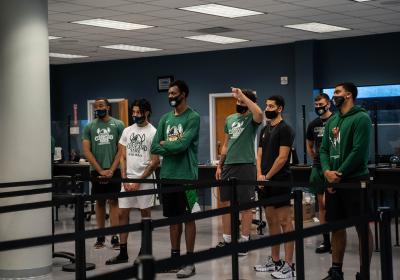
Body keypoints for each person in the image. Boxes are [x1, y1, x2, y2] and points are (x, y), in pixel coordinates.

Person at [320, 83, 373, 280]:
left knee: (362, 227)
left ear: (349, 95)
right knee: (336, 226)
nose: (334, 96)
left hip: (355, 180)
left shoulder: (362, 118)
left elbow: (359, 151)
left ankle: (364, 272)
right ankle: (336, 271)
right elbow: (324, 149)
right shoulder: (332, 120)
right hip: (334, 182)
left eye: (337, 92)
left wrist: (339, 173)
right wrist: (327, 172)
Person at [151, 80, 200, 278]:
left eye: (174, 93)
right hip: (168, 175)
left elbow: (183, 145)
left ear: (184, 94)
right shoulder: (164, 119)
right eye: (169, 93)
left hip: (186, 176)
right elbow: (154, 146)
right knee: (173, 220)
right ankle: (175, 260)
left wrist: (167, 144)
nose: (171, 96)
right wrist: (170, 145)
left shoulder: (193, 117)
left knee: (188, 218)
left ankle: (189, 262)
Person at [106, 99, 159, 265]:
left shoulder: (154, 132)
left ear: (147, 112)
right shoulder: (128, 131)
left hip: (145, 181)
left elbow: (154, 161)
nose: (135, 115)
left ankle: (144, 252)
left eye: (138, 112)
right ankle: (123, 252)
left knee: (145, 216)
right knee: (122, 214)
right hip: (127, 179)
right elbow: (122, 155)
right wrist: (124, 176)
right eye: (133, 112)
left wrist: (138, 181)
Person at [215, 87, 263, 256]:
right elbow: (226, 144)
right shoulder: (229, 119)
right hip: (228, 165)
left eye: (242, 101)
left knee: (246, 206)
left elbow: (260, 114)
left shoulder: (252, 117)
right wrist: (220, 165)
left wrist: (244, 96)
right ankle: (227, 240)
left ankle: (244, 240)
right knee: (226, 203)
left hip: (246, 165)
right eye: (238, 100)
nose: (239, 103)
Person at [253, 95, 296, 279]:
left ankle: (289, 265)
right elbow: (260, 154)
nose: (267, 108)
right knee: (271, 222)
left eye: (271, 106)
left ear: (280, 109)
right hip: (265, 182)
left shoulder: (285, 129)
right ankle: (275, 260)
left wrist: (267, 177)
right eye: (266, 105)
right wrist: (259, 176)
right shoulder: (265, 129)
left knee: (285, 223)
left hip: (279, 181)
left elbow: (282, 158)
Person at [82, 98, 125, 249]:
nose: (98, 108)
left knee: (114, 202)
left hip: (114, 170)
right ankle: (100, 237)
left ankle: (115, 236)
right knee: (99, 203)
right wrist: (100, 170)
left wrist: (112, 169)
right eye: (96, 106)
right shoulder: (89, 126)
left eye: (101, 105)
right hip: (96, 171)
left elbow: (121, 149)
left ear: (107, 107)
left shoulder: (118, 124)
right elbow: (86, 150)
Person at [306, 93, 333, 254]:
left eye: (321, 104)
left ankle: (337, 239)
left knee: (333, 206)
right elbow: (309, 145)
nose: (319, 108)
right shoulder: (313, 124)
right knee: (322, 206)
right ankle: (326, 241)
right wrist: (316, 159)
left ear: (328, 104)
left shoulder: (336, 120)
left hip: (333, 166)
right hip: (318, 167)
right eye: (316, 105)